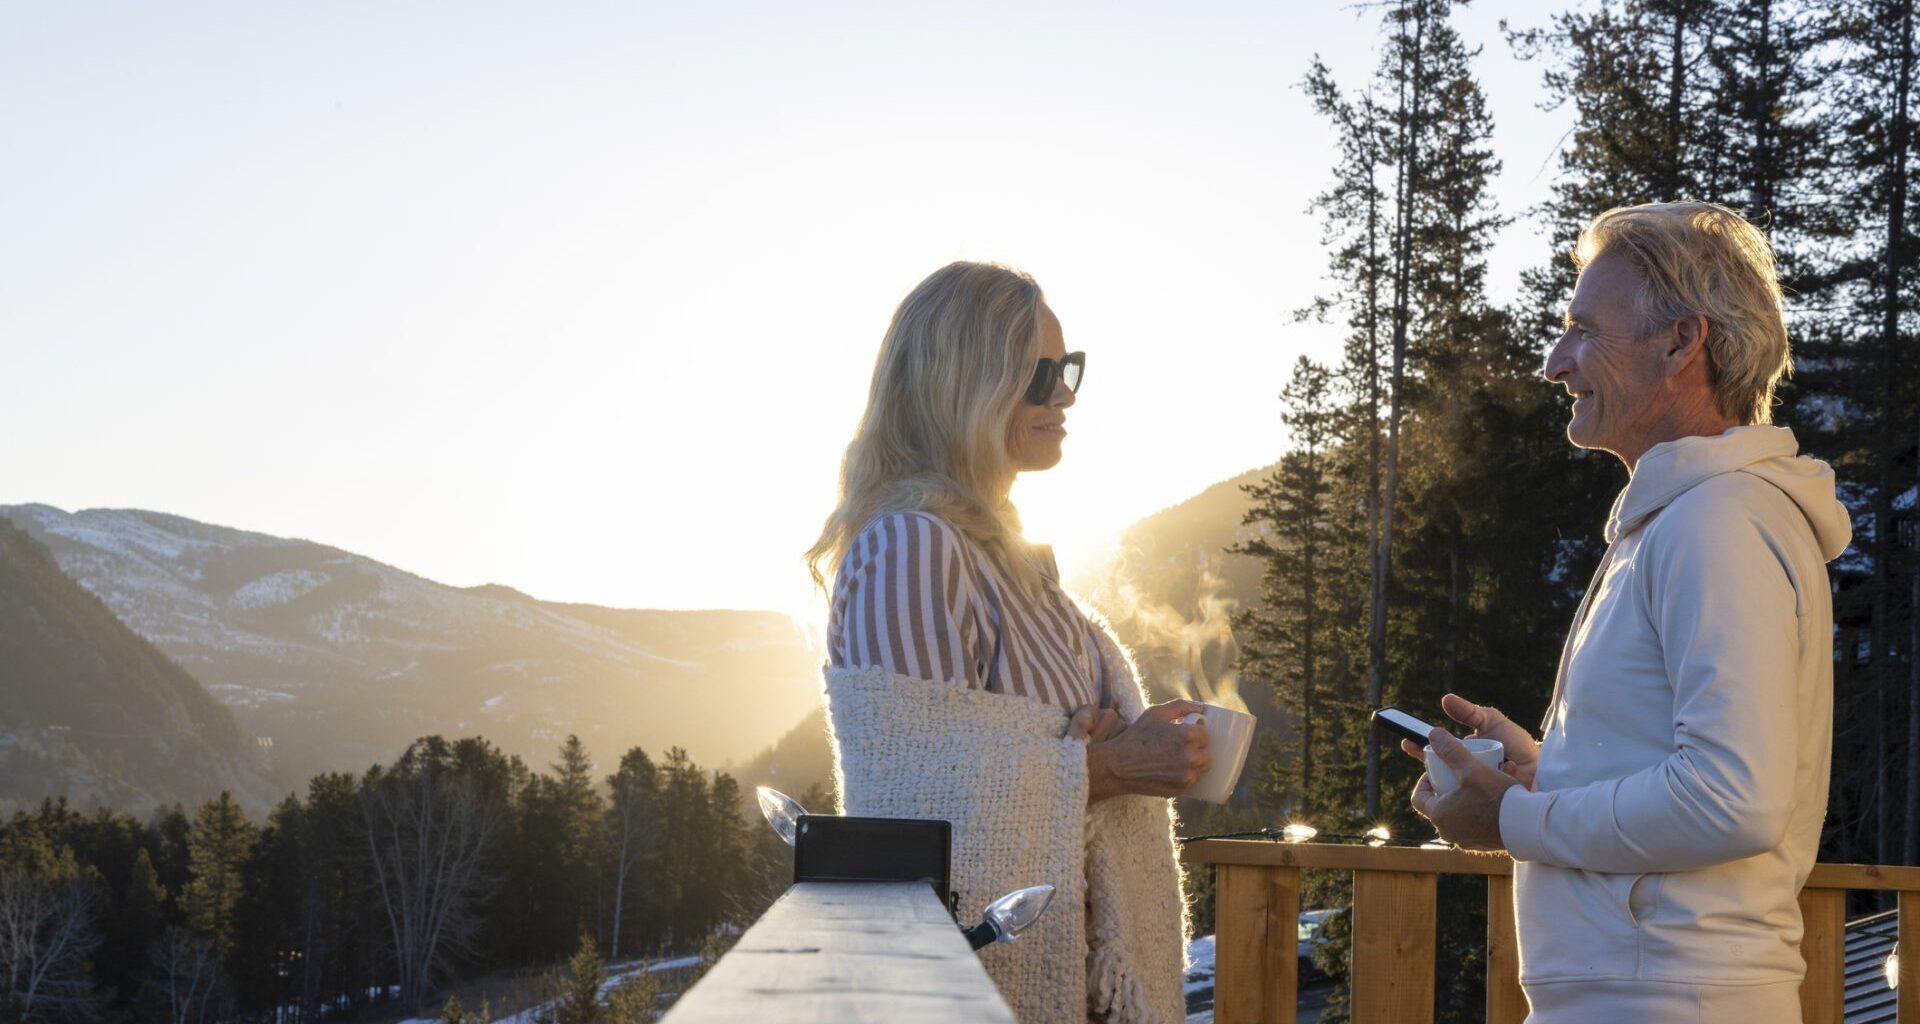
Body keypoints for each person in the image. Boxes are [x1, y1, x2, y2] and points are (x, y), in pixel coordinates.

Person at [1407, 201, 1852, 1022]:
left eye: (1583, 330)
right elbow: (1699, 770)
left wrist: (1514, 816)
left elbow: (1732, 797)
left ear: (1682, 342)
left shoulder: (1715, 523)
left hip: (1670, 997)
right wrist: (1550, 770)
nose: (1554, 362)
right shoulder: (1685, 520)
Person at [805, 261, 1205, 1024]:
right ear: (967, 385)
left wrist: (1107, 750)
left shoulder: (1011, 565)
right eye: (1042, 373)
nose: (1066, 394)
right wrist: (1108, 766)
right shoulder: (910, 547)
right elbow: (915, 805)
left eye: (1068, 368)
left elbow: (996, 759)